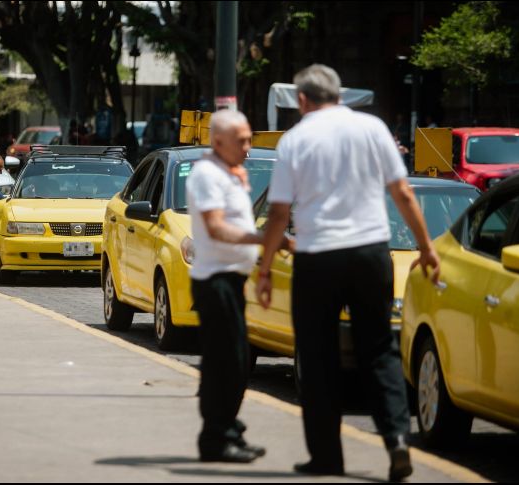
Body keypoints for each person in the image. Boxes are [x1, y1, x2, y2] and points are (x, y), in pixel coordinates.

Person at [255, 64, 440, 481]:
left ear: (302, 100)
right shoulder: (373, 129)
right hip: (370, 252)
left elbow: (280, 212)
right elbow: (403, 191)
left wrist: (265, 269)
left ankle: (326, 456)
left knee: (318, 357)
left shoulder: (295, 139)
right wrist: (426, 247)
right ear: (339, 95)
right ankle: (395, 441)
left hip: (318, 257)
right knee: (379, 350)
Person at [186, 109, 291, 464]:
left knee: (235, 360)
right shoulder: (206, 175)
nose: (248, 147)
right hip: (214, 282)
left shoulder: (229, 173)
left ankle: (227, 429)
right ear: (218, 142)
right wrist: (266, 238)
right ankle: (216, 438)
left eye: (250, 139)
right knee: (226, 362)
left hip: (232, 280)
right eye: (242, 140)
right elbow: (216, 228)